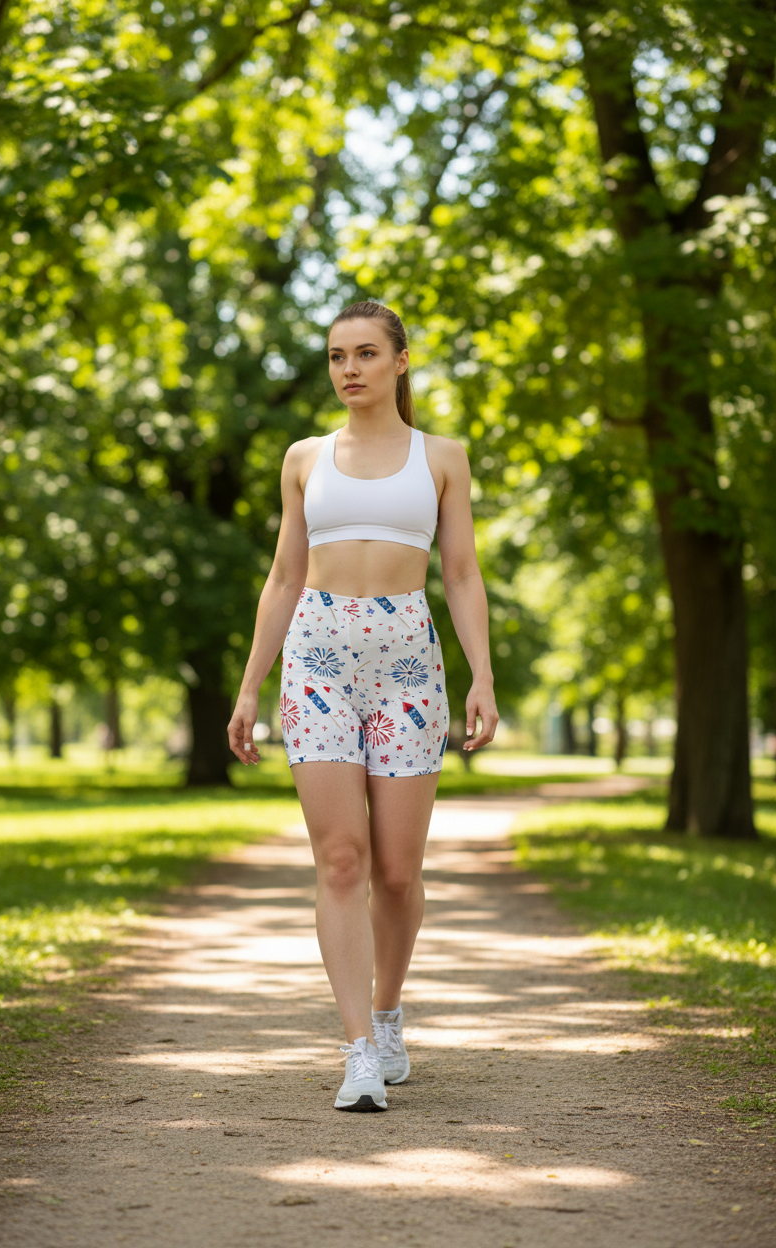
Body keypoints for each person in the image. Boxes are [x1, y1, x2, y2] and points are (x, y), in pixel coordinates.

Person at [228, 300, 499, 1112]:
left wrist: (482, 676)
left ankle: (387, 1015)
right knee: (340, 858)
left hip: (408, 660)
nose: (350, 369)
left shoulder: (441, 458)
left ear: (400, 362)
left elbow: (460, 575)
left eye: (366, 354)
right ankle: (355, 1052)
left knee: (397, 870)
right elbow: (282, 577)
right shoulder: (305, 458)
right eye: (338, 356)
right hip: (316, 656)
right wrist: (250, 684)